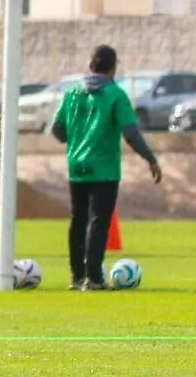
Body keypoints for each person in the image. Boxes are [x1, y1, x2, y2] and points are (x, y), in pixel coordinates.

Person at [51, 45, 162, 291]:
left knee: (78, 220)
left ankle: (76, 276)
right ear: (113, 68)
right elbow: (131, 133)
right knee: (98, 221)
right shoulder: (115, 94)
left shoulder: (72, 93)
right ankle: (93, 278)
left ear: (90, 65)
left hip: (76, 166)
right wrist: (150, 159)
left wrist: (77, 139)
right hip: (104, 169)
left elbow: (57, 130)